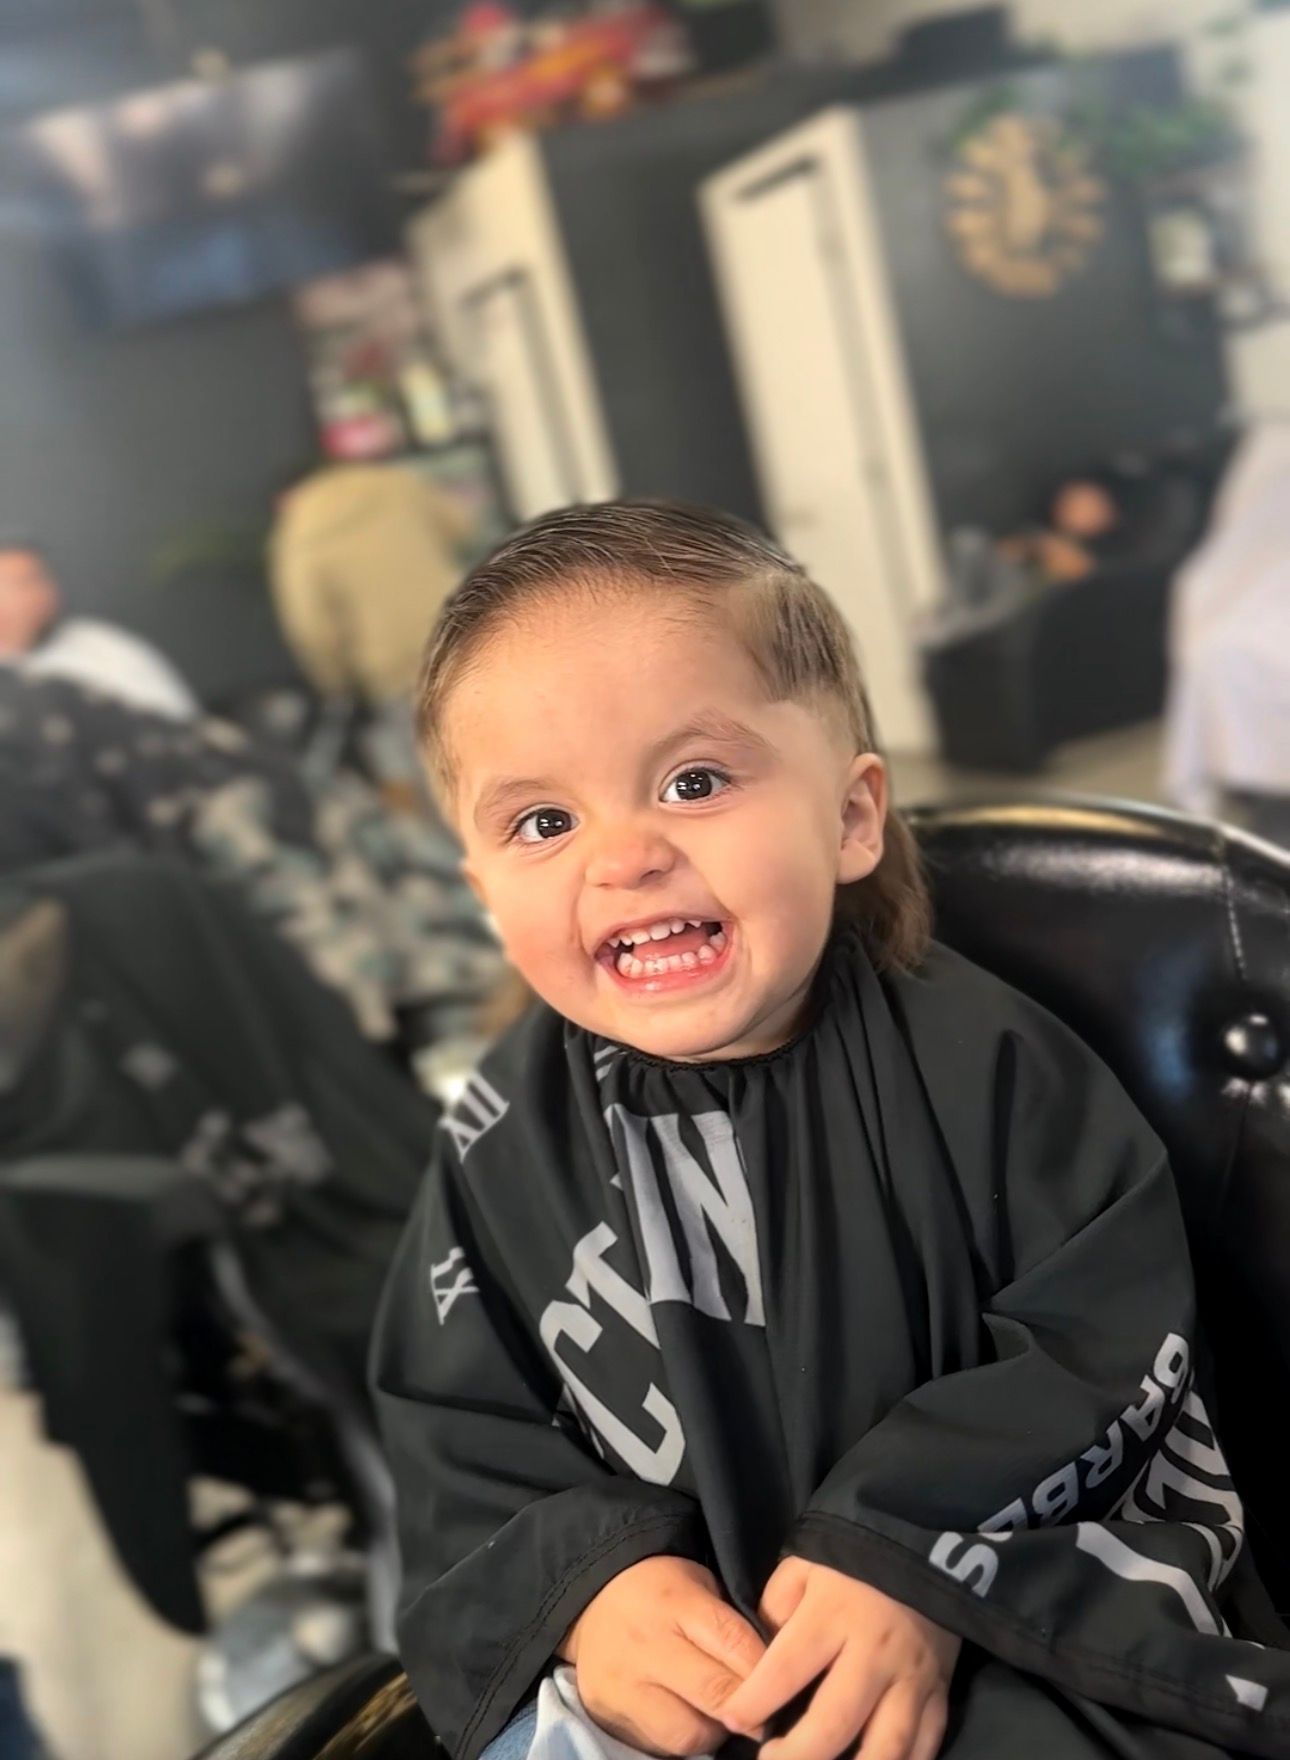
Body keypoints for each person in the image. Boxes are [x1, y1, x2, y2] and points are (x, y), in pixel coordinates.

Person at [372, 500, 1285, 1760]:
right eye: (543, 821)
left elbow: (1104, 1350)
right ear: (483, 888)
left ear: (853, 815)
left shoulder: (995, 1068)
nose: (624, 855)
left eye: (694, 781)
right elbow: (454, 1421)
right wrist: (590, 1587)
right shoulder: (495, 1132)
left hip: (988, 1634)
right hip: (678, 1680)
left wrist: (907, 1551)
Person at [0, 540, 198, 720]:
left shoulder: (99, 647)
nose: (43, 593)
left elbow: (177, 725)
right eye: (22, 582)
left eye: (40, 579)